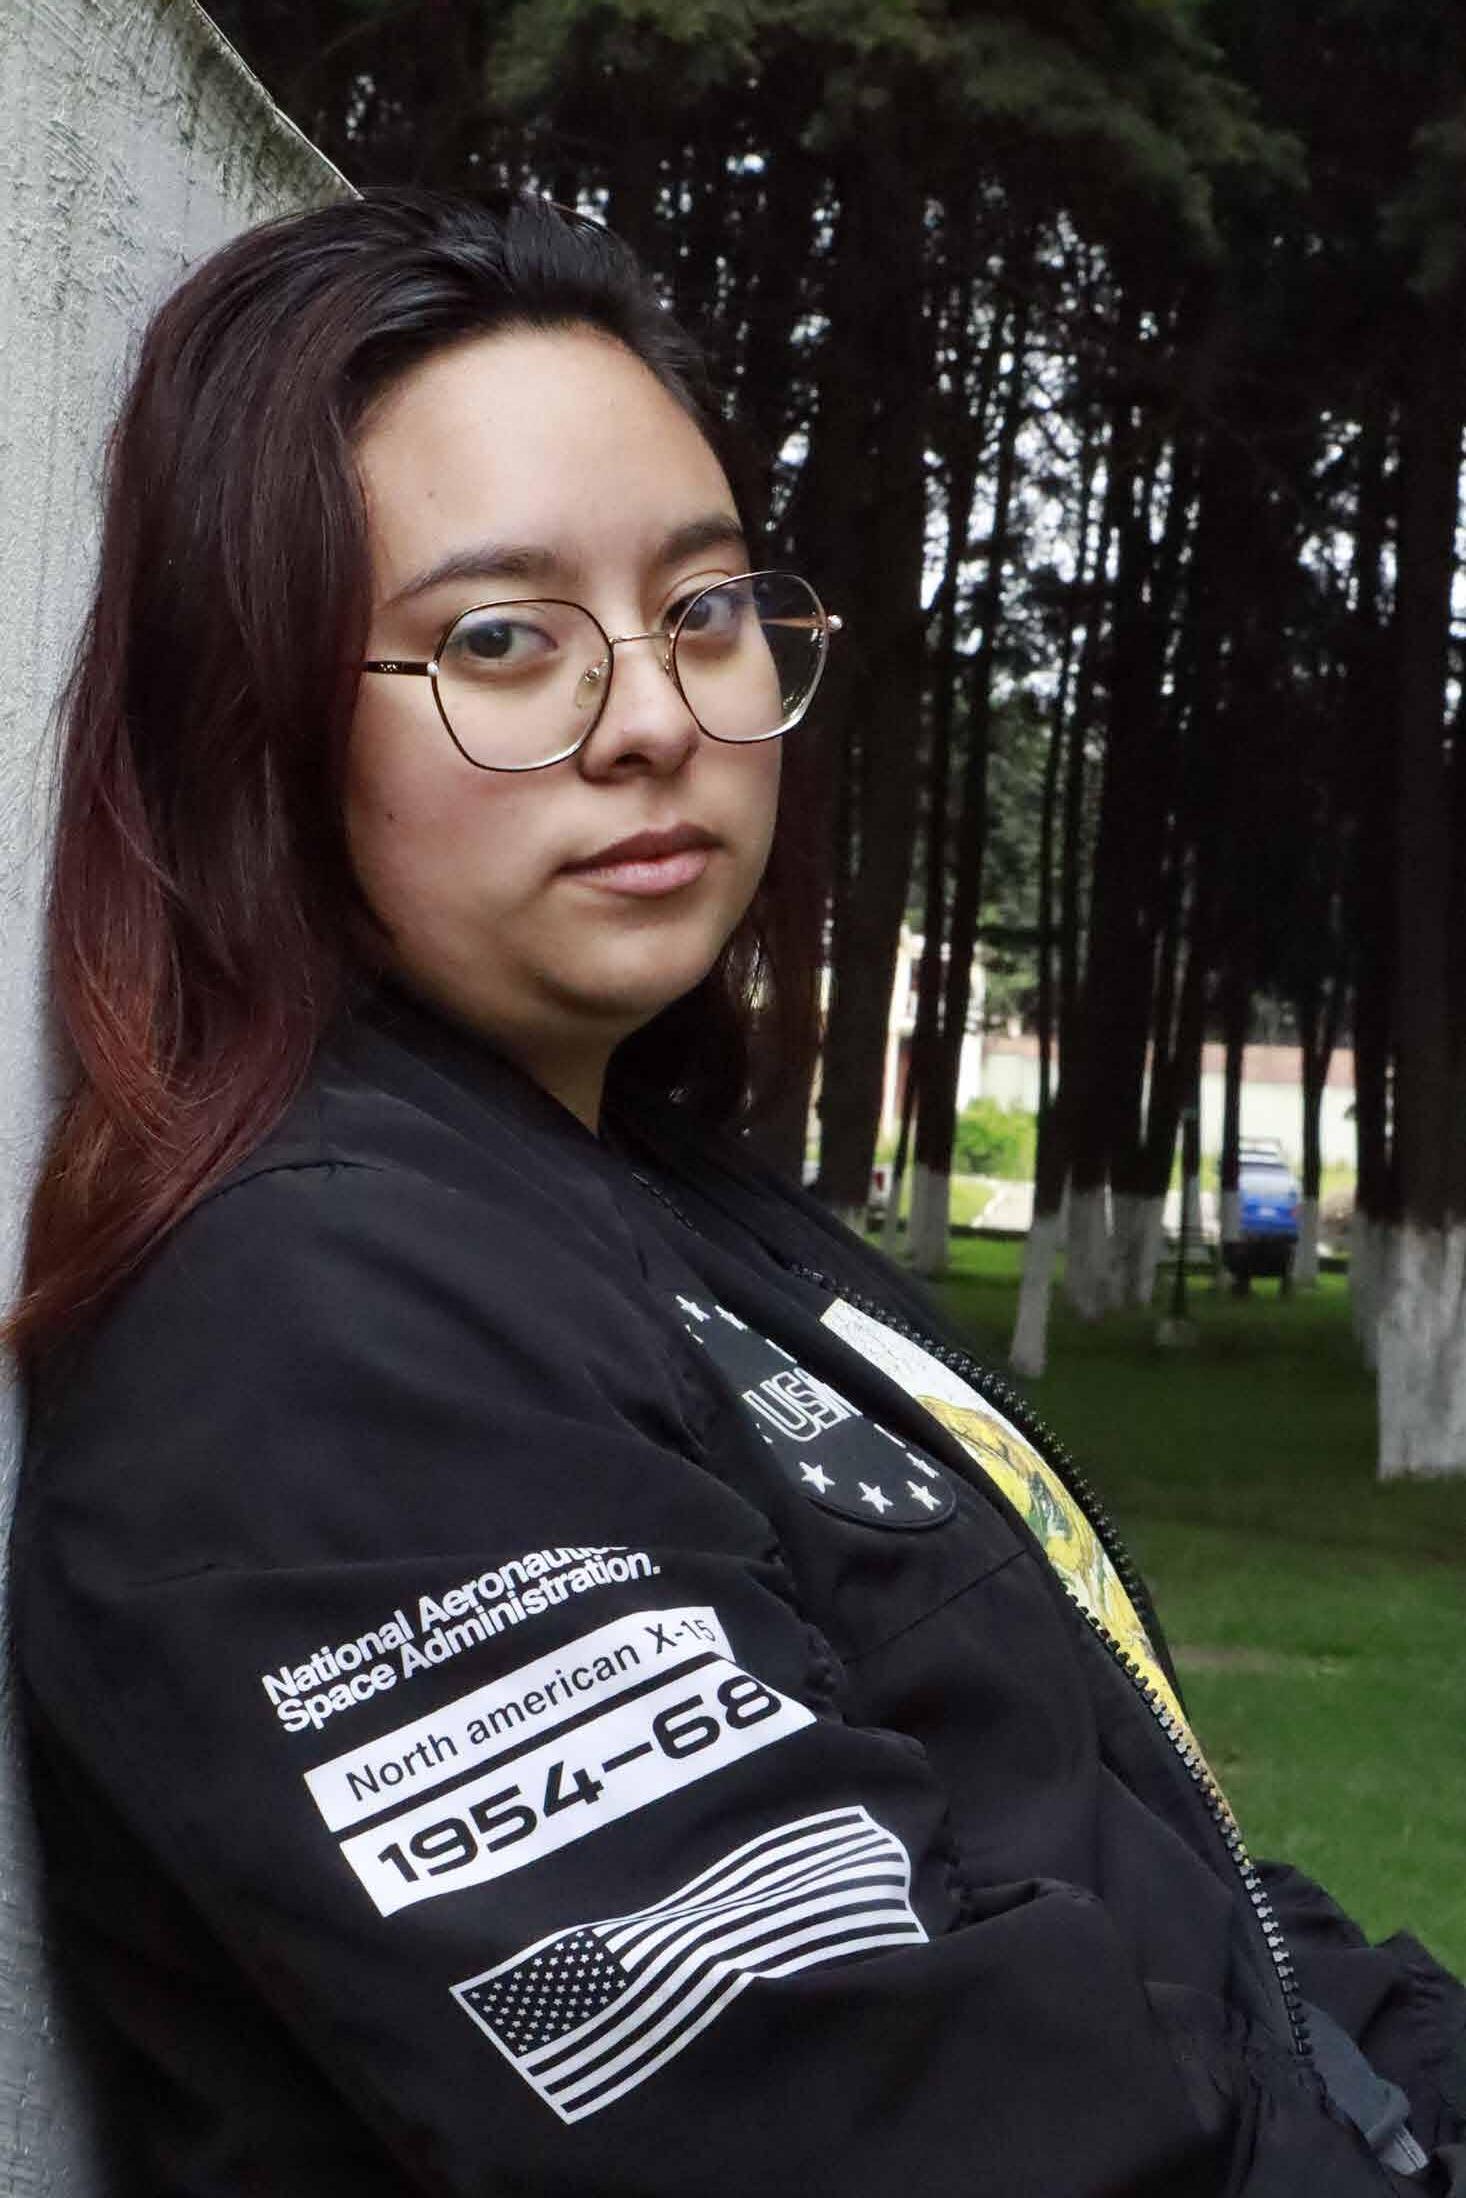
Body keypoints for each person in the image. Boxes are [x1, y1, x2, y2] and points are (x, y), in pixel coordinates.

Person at [7, 188, 1463, 2198]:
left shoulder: (679, 1212)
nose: (653, 720)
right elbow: (870, 2128)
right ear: (255, 711)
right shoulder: (316, 1347)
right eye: (500, 639)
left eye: (702, 609)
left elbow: (1166, 1880)